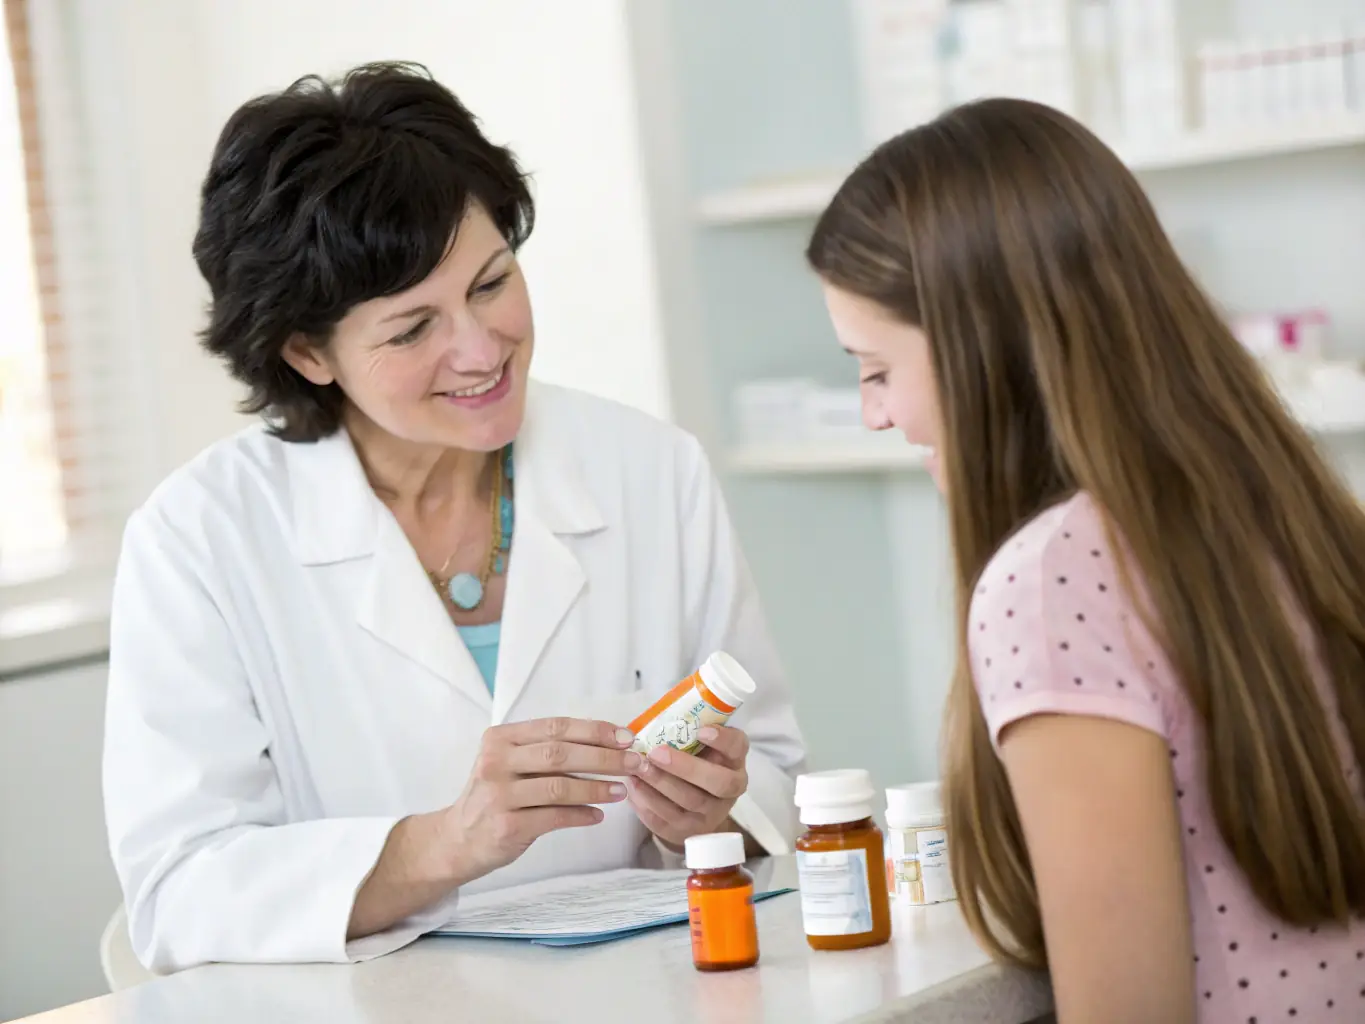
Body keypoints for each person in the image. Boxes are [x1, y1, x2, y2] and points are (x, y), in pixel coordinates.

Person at [102, 62, 806, 974]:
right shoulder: (200, 538)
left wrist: (719, 812)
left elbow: (780, 781)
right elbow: (179, 893)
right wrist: (446, 842)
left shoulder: (648, 469)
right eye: (410, 329)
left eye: (491, 283)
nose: (479, 351)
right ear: (308, 352)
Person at [806, 98, 1365, 1023]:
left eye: (874, 370)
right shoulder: (1290, 508)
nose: (875, 414)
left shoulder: (1048, 583)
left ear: (974, 347)